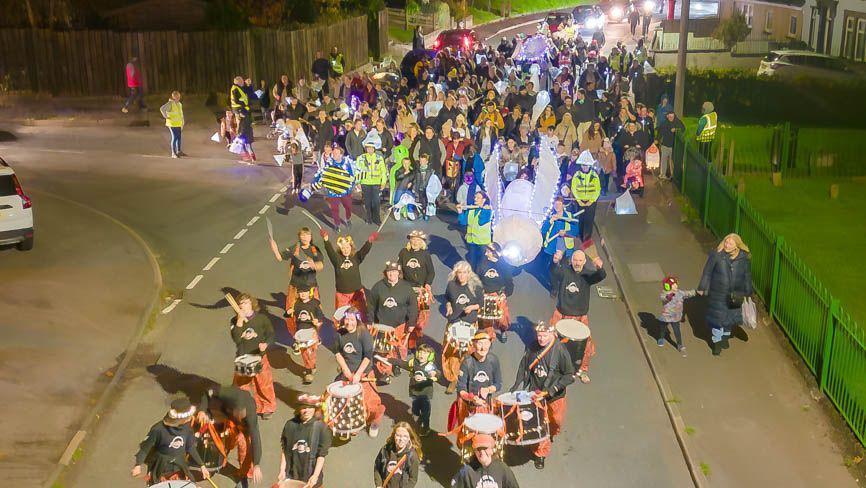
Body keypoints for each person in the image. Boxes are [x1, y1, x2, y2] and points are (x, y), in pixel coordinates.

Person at [510, 321, 575, 469]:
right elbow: (524, 365)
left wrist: (552, 390)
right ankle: (540, 453)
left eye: (544, 336)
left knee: (555, 422)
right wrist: (516, 385)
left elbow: (569, 375)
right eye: (539, 335)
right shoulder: (533, 346)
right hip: (536, 393)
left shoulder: (560, 351)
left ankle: (550, 433)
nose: (541, 339)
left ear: (552, 334)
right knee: (541, 424)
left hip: (555, 396)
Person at [550, 250, 606, 383]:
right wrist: (555, 262)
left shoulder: (588, 275)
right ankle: (553, 369)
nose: (577, 263)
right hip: (562, 314)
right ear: (571, 260)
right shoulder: (565, 271)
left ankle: (582, 370)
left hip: (580, 317)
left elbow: (601, 276)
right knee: (553, 341)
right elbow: (554, 271)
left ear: (585, 262)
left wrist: (600, 267)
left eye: (580, 260)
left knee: (585, 346)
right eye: (575, 260)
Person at [197, 385, 264, 487]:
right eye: (238, 413)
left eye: (242, 414)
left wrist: (257, 464)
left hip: (242, 426)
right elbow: (207, 392)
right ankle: (215, 460)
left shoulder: (250, 416)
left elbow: (256, 439)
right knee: (219, 438)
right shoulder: (227, 394)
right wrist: (202, 409)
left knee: (245, 447)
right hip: (225, 416)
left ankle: (246, 474)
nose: (240, 416)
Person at [698, 233, 753, 356]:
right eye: (726, 242)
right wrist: (702, 287)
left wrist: (748, 291)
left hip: (736, 294)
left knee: (730, 319)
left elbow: (747, 276)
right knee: (717, 320)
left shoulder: (744, 259)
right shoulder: (717, 255)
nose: (727, 245)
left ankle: (725, 337)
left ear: (737, 246)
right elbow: (707, 272)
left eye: (730, 243)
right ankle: (717, 343)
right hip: (718, 294)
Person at [334, 307, 386, 437]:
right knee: (348, 402)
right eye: (346, 319)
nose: (349, 322)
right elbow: (337, 353)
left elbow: (368, 356)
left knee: (370, 404)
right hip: (348, 374)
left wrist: (358, 374)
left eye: (352, 320)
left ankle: (374, 421)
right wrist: (346, 371)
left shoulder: (363, 334)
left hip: (363, 375)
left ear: (357, 320)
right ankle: (354, 424)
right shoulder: (340, 334)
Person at [131, 398, 209, 484]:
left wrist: (202, 466)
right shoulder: (158, 429)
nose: (191, 418)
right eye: (189, 417)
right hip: (160, 467)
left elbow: (190, 447)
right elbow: (145, 448)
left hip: (180, 466)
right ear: (182, 418)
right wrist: (138, 465)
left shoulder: (187, 428)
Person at [368, 261, 419, 383]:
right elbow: (370, 306)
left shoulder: (407, 288)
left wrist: (411, 323)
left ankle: (396, 366)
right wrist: (370, 321)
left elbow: (413, 307)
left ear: (398, 273)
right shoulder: (378, 287)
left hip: (400, 326)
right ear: (386, 273)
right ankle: (384, 373)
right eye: (389, 272)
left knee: (398, 350)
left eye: (394, 272)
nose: (392, 274)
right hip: (383, 327)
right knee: (383, 352)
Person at [230, 292, 276, 419]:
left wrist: (266, 344)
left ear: (252, 304)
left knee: (263, 383)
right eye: (240, 304)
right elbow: (236, 339)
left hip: (259, 356)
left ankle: (267, 407)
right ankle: (242, 407)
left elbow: (271, 334)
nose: (243, 306)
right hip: (243, 357)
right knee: (240, 385)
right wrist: (239, 320)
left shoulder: (261, 319)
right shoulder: (234, 321)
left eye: (246, 303)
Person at [270, 226, 324, 331]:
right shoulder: (294, 248)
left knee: (316, 312)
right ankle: (295, 333)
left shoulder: (314, 250)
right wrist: (275, 249)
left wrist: (313, 265)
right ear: (299, 236)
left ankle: (314, 335)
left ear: (311, 237)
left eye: (307, 235)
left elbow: (321, 265)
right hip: (295, 286)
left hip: (311, 287)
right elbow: (280, 257)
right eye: (302, 235)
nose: (304, 237)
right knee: (291, 311)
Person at [454, 331, 502, 449]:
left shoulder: (493, 360)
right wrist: (472, 398)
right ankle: (466, 453)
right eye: (480, 343)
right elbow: (461, 389)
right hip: (468, 404)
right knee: (467, 433)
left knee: (485, 431)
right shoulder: (467, 362)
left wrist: (489, 389)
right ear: (473, 345)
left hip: (486, 404)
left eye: (486, 343)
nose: (483, 347)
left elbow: (498, 384)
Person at [322, 228, 377, 320]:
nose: (345, 250)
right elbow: (330, 251)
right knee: (342, 318)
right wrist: (326, 239)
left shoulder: (356, 258)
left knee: (361, 316)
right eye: (343, 248)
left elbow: (364, 251)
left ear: (351, 247)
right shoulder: (337, 260)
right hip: (342, 295)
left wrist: (369, 241)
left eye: (347, 247)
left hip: (356, 294)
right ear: (340, 249)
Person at [278, 393, 331, 488]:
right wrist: (282, 470)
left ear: (315, 409)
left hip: (311, 477)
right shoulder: (290, 425)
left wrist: (315, 476)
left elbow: (321, 456)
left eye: (310, 407)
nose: (306, 411)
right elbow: (285, 450)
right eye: (303, 407)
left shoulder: (321, 427)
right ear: (298, 409)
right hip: (292, 475)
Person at [398, 230, 435, 350]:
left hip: (421, 290)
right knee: (406, 316)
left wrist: (428, 284)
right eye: (413, 239)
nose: (415, 242)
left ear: (422, 242)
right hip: (407, 289)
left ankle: (414, 341)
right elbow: (399, 270)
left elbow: (431, 272)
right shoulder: (403, 253)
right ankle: (404, 341)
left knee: (420, 318)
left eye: (418, 240)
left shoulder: (425, 254)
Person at [391, 344, 438, 436]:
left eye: (425, 353)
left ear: (430, 356)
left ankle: (426, 427)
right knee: (416, 410)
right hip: (414, 391)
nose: (421, 355)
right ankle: (418, 418)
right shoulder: (413, 362)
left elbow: (436, 374)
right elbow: (403, 364)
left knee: (425, 412)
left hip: (425, 393)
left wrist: (428, 376)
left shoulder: (430, 366)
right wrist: (390, 360)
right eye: (420, 352)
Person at [312, 146, 355, 231]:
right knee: (334, 209)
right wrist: (315, 182)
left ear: (341, 155)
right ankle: (337, 224)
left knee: (348, 206)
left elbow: (352, 176)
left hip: (345, 191)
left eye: (336, 153)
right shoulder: (329, 164)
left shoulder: (347, 163)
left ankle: (348, 218)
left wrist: (351, 185)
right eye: (333, 153)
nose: (333, 155)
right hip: (333, 192)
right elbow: (321, 173)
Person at [450, 434, 519, 488]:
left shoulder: (502, 468)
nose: (482, 452)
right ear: (475, 452)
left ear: (492, 450)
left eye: (485, 448)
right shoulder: (467, 471)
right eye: (478, 449)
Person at [476, 243, 513, 343]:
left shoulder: (503, 266)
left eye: (488, 251)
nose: (485, 253)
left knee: (502, 318)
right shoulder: (482, 264)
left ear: (494, 253)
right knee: (486, 319)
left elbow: (509, 283)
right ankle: (488, 338)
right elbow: (477, 279)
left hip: (498, 295)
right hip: (486, 295)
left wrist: (505, 294)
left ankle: (503, 330)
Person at [289, 284, 325, 384]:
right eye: (300, 292)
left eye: (305, 292)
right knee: (305, 353)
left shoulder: (315, 303)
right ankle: (309, 368)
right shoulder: (297, 304)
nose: (303, 294)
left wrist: (317, 321)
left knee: (311, 353)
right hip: (301, 332)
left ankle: (311, 368)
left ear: (310, 293)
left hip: (311, 331)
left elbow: (321, 316)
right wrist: (288, 312)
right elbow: (291, 317)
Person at [373, 422, 422, 488]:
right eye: (398, 435)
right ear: (394, 436)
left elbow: (413, 479)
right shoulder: (385, 450)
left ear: (409, 438)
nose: (401, 439)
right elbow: (377, 467)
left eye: (405, 436)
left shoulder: (412, 457)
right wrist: (378, 485)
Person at [658, 276, 696, 354]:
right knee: (663, 328)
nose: (676, 286)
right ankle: (661, 338)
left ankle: (680, 345)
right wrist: (669, 297)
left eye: (676, 284)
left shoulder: (679, 292)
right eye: (674, 285)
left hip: (676, 316)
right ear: (668, 286)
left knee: (677, 331)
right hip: (666, 316)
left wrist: (695, 292)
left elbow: (687, 293)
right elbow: (664, 298)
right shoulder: (664, 293)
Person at [570, 150, 602, 241]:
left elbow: (597, 189)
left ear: (589, 166)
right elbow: (574, 188)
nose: (585, 167)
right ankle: (580, 236)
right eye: (583, 165)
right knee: (580, 219)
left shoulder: (594, 175)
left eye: (586, 165)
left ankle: (587, 238)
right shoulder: (577, 175)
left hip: (591, 202)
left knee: (589, 219)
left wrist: (591, 201)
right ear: (581, 165)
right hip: (579, 202)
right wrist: (579, 200)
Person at [458, 190, 492, 270]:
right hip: (472, 241)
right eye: (475, 197)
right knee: (472, 262)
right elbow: (463, 222)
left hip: (482, 242)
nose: (475, 199)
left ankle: (481, 278)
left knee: (482, 263)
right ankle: (472, 276)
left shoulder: (487, 211)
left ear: (483, 200)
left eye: (478, 198)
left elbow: (482, 221)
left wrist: (485, 209)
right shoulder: (471, 210)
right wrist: (460, 212)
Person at [357, 140, 388, 225]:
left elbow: (383, 171)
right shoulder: (361, 158)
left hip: (376, 183)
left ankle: (377, 219)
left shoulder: (379, 158)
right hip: (365, 183)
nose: (370, 150)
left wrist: (383, 182)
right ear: (366, 149)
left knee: (376, 202)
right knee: (367, 202)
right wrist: (358, 182)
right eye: (368, 148)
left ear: (374, 149)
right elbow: (357, 170)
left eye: (371, 148)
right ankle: (369, 218)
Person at [656, 110, 684, 180]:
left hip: (674, 146)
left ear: (674, 116)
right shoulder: (664, 123)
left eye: (672, 116)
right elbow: (660, 132)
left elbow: (683, 129)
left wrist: (676, 129)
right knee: (663, 160)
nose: (671, 118)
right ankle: (662, 174)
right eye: (669, 116)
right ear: (667, 116)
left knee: (672, 161)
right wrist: (657, 139)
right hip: (665, 145)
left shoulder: (678, 122)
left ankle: (673, 175)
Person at [159, 91, 184, 158]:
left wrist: (182, 122)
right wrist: (165, 116)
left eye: (179, 96)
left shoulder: (179, 104)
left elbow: (180, 114)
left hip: (178, 123)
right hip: (172, 124)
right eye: (177, 97)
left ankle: (179, 151)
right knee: (175, 137)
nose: (178, 98)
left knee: (179, 137)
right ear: (173, 97)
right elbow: (162, 109)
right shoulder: (170, 104)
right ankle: (173, 153)